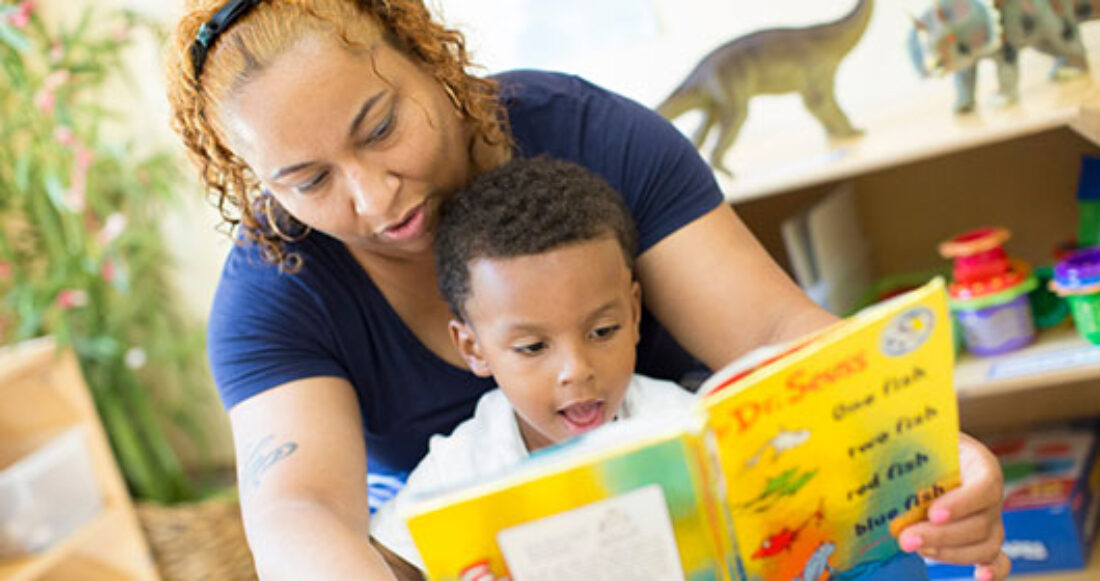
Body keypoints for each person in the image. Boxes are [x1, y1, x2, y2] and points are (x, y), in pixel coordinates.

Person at [165, 1, 1009, 579]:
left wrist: (926, 451)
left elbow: (776, 330)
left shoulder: (591, 135)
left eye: (381, 127)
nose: (373, 197)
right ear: (251, 180)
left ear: (426, 53)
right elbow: (300, 512)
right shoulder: (275, 289)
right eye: (307, 179)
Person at [369, 156, 699, 576]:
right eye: (532, 346)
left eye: (602, 331)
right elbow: (384, 563)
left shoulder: (682, 423)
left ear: (634, 314)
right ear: (473, 348)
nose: (576, 370)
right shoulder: (461, 470)